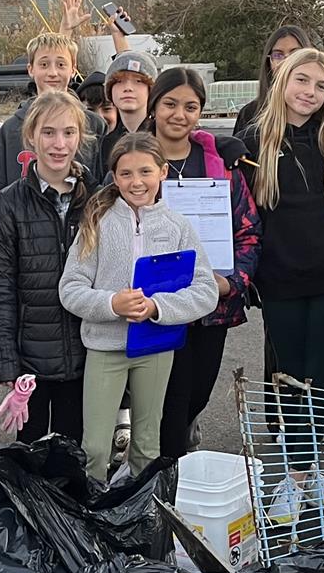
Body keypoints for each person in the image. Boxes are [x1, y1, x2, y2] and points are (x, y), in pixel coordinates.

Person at [236, 47, 324, 521]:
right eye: (302, 81)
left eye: (320, 86)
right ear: (282, 80)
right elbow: (239, 208)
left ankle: (316, 472)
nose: (310, 93)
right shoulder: (254, 140)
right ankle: (295, 477)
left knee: (318, 372)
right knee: (290, 375)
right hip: (280, 276)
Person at [59, 133, 218, 482]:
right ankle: (93, 517)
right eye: (126, 174)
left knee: (147, 444)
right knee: (96, 447)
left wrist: (158, 307)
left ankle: (142, 517)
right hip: (105, 347)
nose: (137, 182)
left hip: (156, 346)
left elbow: (206, 291)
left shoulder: (178, 226)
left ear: (162, 172)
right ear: (114, 177)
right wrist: (112, 303)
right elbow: (70, 289)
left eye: (145, 172)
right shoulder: (96, 224)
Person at [146, 67, 260, 459]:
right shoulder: (137, 161)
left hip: (212, 304)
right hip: (155, 305)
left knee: (196, 395)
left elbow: (248, 231)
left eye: (190, 106)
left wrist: (232, 282)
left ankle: (171, 457)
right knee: (166, 402)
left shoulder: (222, 165)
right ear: (154, 106)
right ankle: (164, 479)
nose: (179, 114)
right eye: (170, 104)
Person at [0, 91, 93, 444]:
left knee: (73, 449)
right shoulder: (8, 204)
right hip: (30, 359)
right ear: (31, 136)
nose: (58, 144)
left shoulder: (97, 199)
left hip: (85, 354)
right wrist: (5, 358)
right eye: (48, 132)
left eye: (68, 132)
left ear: (80, 135)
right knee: (29, 452)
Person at [0, 31, 106, 187]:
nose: (52, 73)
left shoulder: (94, 124)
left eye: (61, 65)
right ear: (31, 69)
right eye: (44, 65)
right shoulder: (10, 129)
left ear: (73, 69)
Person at [235, 24, 310, 134]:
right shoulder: (250, 113)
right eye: (278, 55)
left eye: (295, 53)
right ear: (269, 62)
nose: (286, 61)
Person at [100, 50, 158, 155]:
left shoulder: (163, 136)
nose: (128, 88)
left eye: (138, 81)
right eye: (119, 81)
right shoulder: (104, 143)